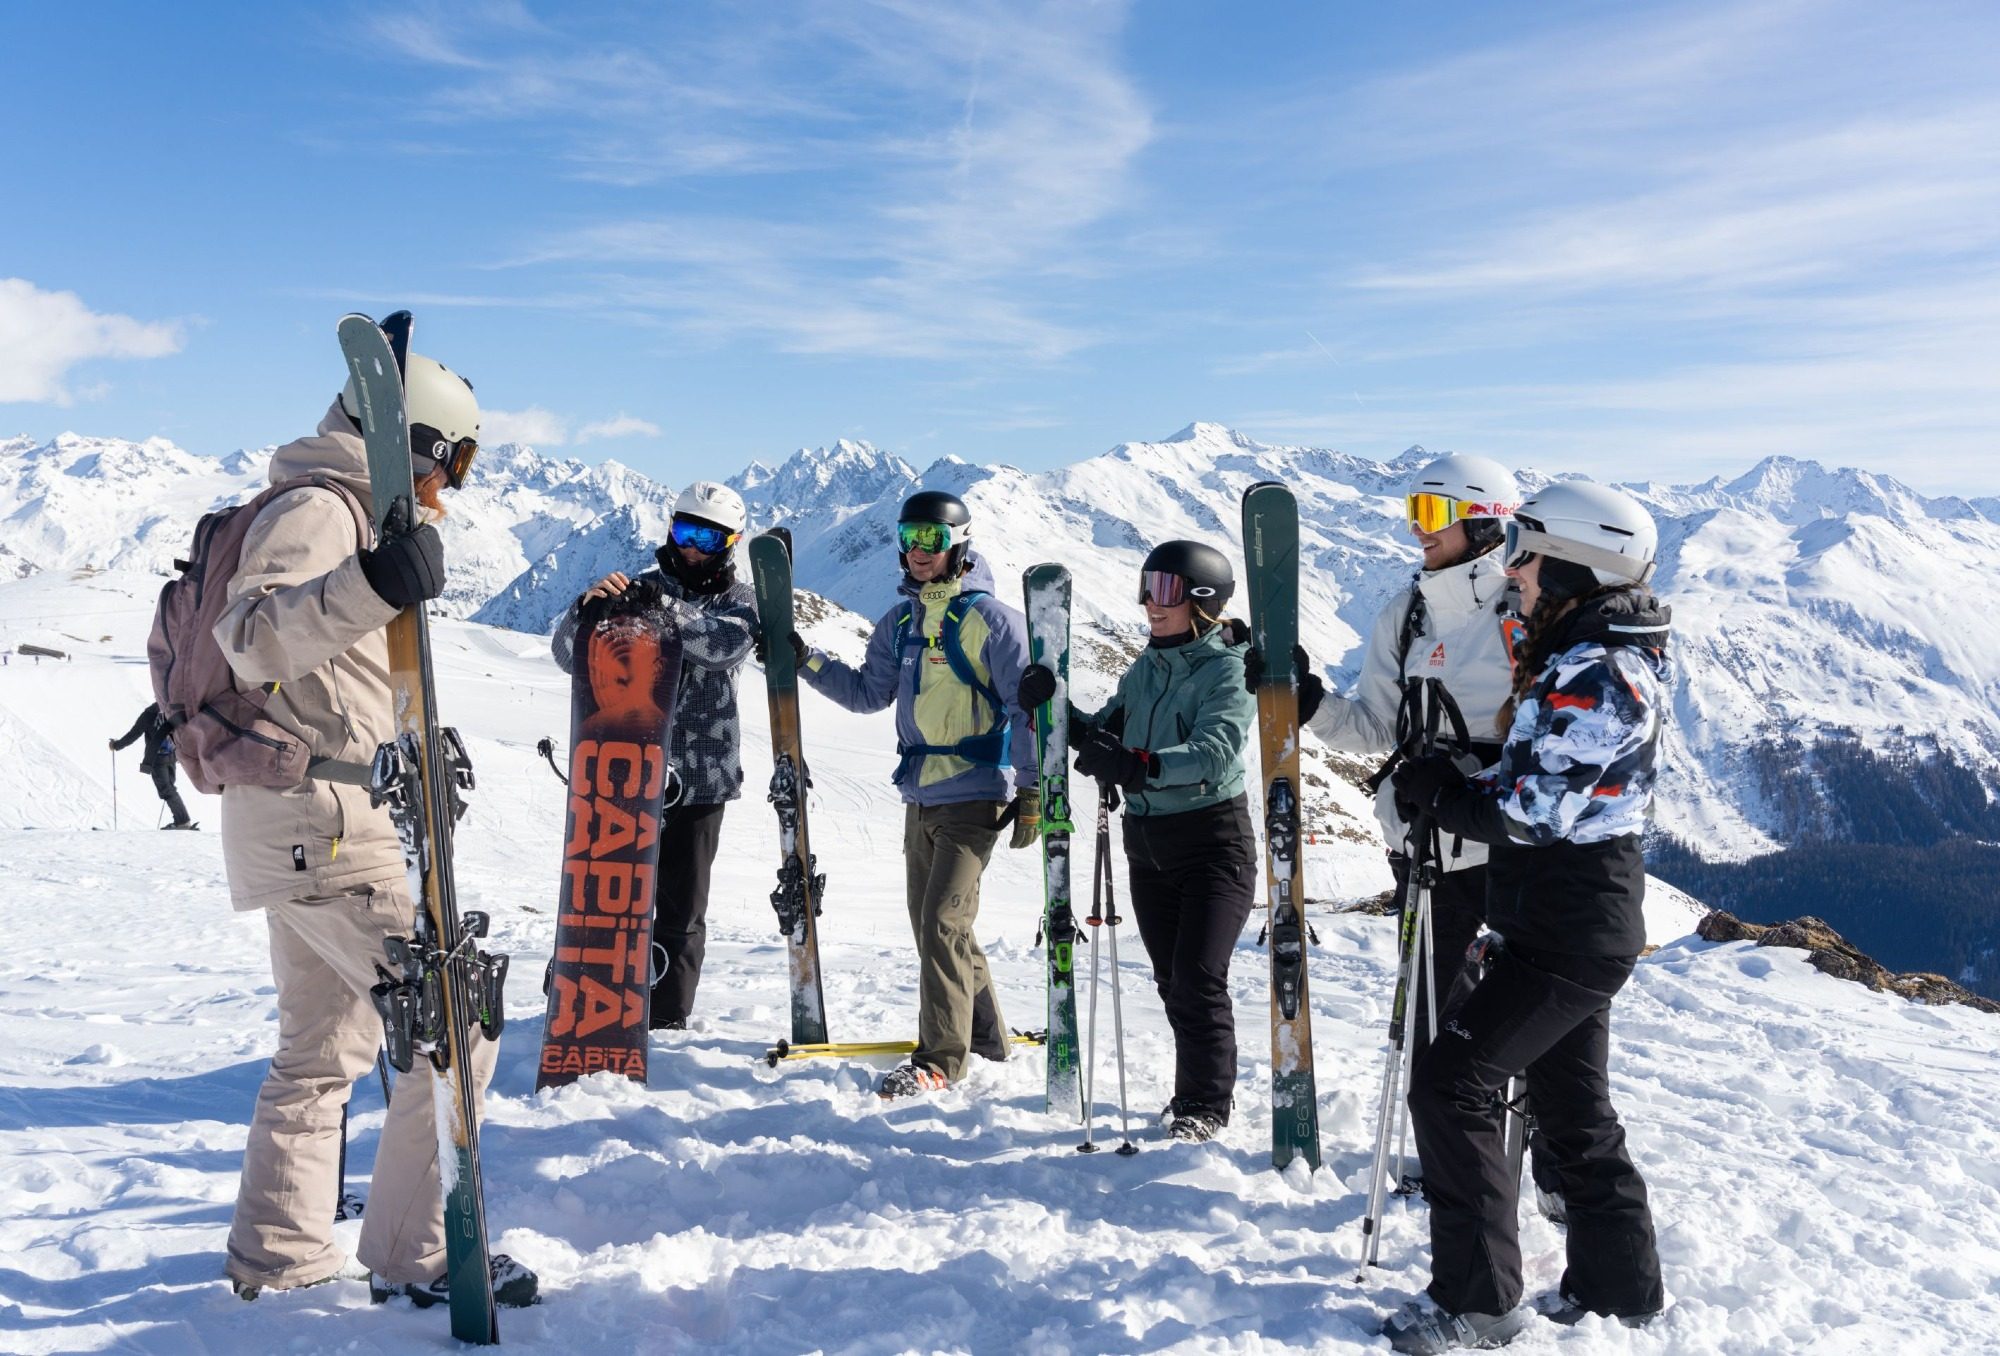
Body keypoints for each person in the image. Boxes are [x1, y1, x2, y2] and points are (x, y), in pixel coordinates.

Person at [215, 339, 535, 1310]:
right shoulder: (320, 510)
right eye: (456, 462)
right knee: (456, 1023)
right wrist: (376, 582)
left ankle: (277, 1258)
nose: (452, 488)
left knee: (322, 1051)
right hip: (322, 828)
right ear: (421, 442)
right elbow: (249, 638)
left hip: (309, 820)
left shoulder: (343, 509)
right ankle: (420, 1255)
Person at [1377, 480, 1670, 1353]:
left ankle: (1477, 1305)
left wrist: (1443, 795)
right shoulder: (1585, 654)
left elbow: (1534, 811)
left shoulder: (1600, 672)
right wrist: (1457, 780)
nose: (1516, 572)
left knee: (1451, 1085)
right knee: (1571, 1105)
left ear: (1579, 564)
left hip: (1568, 932)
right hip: (1563, 921)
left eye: (1529, 555)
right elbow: (1531, 785)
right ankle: (1619, 1291)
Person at [781, 489, 1038, 1098]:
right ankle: (987, 1038)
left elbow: (1027, 709)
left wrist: (1033, 790)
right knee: (938, 928)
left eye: (932, 539)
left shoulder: (994, 621)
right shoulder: (900, 623)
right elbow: (866, 694)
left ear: (959, 545)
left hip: (976, 797)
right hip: (919, 798)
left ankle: (940, 1060)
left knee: (942, 921)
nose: (919, 551)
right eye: (909, 538)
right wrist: (807, 662)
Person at [1284, 454, 1520, 1058]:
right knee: (1429, 1019)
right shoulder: (1408, 612)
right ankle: (1443, 1123)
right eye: (1412, 510)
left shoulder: (1523, 610)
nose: (1417, 528)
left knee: (1506, 1027)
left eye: (1432, 512)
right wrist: (1310, 703)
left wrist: (1461, 788)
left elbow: (1549, 742)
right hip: (1421, 847)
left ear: (1484, 520)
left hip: (1504, 852)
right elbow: (1375, 727)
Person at [1025, 541, 1256, 1143]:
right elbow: (1107, 733)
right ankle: (1190, 1095)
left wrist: (1138, 766)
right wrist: (1055, 710)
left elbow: (1214, 753)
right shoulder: (1147, 666)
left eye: (1167, 590)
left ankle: (1207, 1105)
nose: (1152, 603)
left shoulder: (1228, 670)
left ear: (1203, 601)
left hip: (1212, 843)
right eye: (1148, 587)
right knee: (1171, 981)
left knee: (1199, 978)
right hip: (1148, 845)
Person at [550, 481, 758, 1030]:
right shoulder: (639, 586)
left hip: (702, 775)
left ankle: (666, 1017)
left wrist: (661, 607)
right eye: (685, 530)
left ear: (731, 543)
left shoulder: (739, 600)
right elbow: (567, 657)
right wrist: (585, 612)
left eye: (707, 538)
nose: (691, 547)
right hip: (629, 768)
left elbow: (722, 647)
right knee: (609, 893)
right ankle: (591, 998)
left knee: (682, 907)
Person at [110, 701, 196, 829]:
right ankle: (181, 820)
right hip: (172, 756)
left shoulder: (149, 713)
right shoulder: (174, 710)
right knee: (170, 789)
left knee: (167, 791)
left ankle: (182, 822)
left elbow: (134, 734)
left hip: (157, 759)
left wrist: (116, 745)